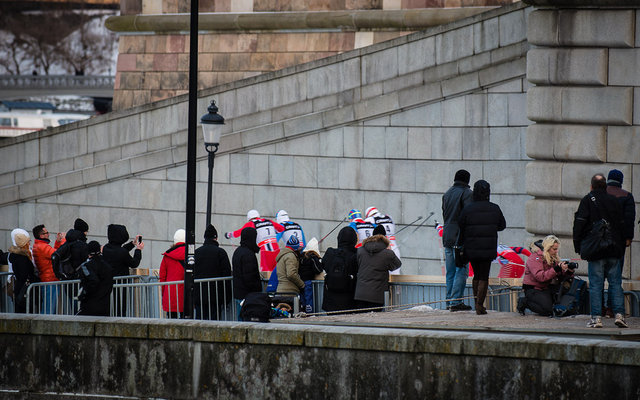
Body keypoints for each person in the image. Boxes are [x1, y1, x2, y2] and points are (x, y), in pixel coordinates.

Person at [573, 173, 627, 328]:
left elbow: (579, 224)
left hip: (596, 250)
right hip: (613, 249)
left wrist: (578, 246)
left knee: (596, 284)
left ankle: (596, 318)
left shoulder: (587, 200)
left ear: (591, 186)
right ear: (606, 186)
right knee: (615, 283)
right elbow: (622, 225)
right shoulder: (614, 201)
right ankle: (619, 315)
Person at [458, 179, 506, 315]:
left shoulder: (468, 208)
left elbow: (461, 224)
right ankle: (480, 305)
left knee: (476, 275)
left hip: (472, 247)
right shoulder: (494, 208)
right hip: (488, 248)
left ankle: (476, 304)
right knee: (484, 275)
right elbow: (502, 225)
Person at [442, 169, 474, 311]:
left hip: (447, 236)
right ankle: (456, 302)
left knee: (450, 271)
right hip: (459, 238)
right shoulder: (467, 193)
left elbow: (445, 215)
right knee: (461, 269)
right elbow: (468, 215)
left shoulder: (447, 193)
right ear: (467, 180)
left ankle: (449, 301)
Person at [605, 169, 635, 316]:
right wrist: (628, 238)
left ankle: (598, 310)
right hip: (618, 243)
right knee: (615, 277)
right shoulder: (626, 196)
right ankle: (612, 309)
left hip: (599, 242)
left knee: (598, 278)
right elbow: (629, 219)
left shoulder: (599, 194)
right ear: (620, 181)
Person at [518, 235, 574, 316]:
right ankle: (524, 302)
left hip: (545, 287)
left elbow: (559, 277)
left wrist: (569, 271)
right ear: (548, 248)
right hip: (533, 289)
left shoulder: (552, 258)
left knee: (566, 289)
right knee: (547, 310)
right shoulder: (535, 258)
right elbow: (540, 277)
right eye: (554, 249)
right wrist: (556, 269)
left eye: (557, 249)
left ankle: (555, 306)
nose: (556, 251)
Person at [102, 224, 144, 317]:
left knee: (111, 307)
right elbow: (134, 263)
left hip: (108, 283)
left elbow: (120, 250)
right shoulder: (122, 252)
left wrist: (132, 244)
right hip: (121, 283)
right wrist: (138, 250)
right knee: (120, 308)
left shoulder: (106, 248)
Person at [354, 231, 402, 311]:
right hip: (377, 296)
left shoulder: (360, 251)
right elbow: (397, 264)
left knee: (361, 317)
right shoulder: (387, 254)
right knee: (375, 317)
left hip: (360, 294)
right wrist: (390, 251)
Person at [194, 224, 232, 320]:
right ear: (216, 238)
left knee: (199, 322)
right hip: (215, 296)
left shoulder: (196, 252)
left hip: (199, 296)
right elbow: (226, 274)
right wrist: (227, 298)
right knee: (214, 322)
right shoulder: (220, 252)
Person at [322, 227, 359, 313]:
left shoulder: (330, 253)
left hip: (330, 301)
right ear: (354, 240)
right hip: (349, 300)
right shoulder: (356, 255)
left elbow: (323, 265)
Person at [32, 224, 64, 314]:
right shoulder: (42, 246)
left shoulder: (40, 245)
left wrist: (57, 242)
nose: (48, 234)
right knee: (49, 308)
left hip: (48, 279)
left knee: (49, 307)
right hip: (50, 280)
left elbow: (54, 254)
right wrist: (63, 241)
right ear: (41, 235)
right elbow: (57, 254)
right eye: (46, 233)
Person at [232, 227, 263, 321]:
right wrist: (257, 290)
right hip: (247, 295)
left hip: (239, 292)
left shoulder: (238, 251)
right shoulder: (248, 254)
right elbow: (249, 276)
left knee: (241, 317)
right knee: (247, 319)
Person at [77, 241, 113, 317]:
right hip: (105, 305)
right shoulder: (108, 266)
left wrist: (83, 294)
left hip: (89, 305)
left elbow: (93, 281)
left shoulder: (86, 266)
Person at [7, 229, 38, 313]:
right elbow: (24, 275)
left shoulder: (15, 255)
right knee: (24, 311)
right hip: (24, 288)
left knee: (20, 310)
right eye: (28, 241)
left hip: (20, 287)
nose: (29, 243)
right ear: (24, 243)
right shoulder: (22, 258)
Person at [365, 206, 402, 274]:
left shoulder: (370, 219)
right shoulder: (389, 217)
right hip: (394, 247)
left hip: (382, 250)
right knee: (396, 273)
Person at [159, 229, 186, 319]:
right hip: (186, 293)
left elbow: (162, 277)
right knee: (186, 321)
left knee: (171, 321)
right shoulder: (191, 255)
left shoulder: (167, 256)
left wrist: (164, 293)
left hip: (170, 293)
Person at [298, 237, 323, 313]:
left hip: (299, 281)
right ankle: (310, 312)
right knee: (309, 297)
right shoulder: (312, 257)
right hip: (308, 281)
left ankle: (303, 310)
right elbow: (318, 270)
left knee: (302, 297)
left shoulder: (301, 257)